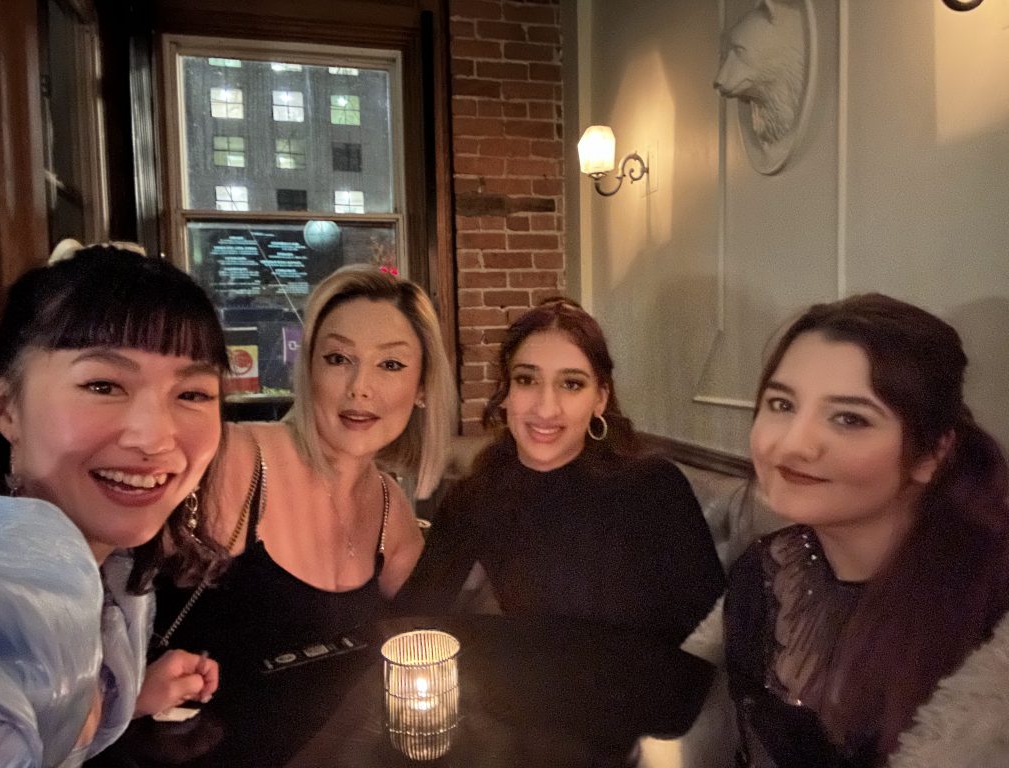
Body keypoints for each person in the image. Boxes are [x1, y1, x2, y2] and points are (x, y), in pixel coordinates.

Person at [724, 293, 1009, 768]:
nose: (793, 444)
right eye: (781, 403)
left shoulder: (991, 610)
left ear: (931, 454)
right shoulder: (763, 576)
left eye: (849, 418)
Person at [0, 242, 227, 767]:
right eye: (103, 384)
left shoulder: (115, 576)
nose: (154, 438)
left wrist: (125, 698)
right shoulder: (3, 583)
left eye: (192, 394)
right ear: (4, 407)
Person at [153, 265, 457, 679]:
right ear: (310, 369)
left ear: (422, 387)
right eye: (338, 359)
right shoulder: (232, 458)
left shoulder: (391, 510)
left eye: (390, 364)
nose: (359, 387)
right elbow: (103, 575)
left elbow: (433, 631)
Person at [399, 298, 725, 645]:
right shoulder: (477, 496)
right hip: (536, 679)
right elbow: (411, 620)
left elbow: (714, 633)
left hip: (654, 678)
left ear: (600, 399)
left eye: (571, 384)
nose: (545, 408)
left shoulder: (654, 486)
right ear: (505, 392)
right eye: (526, 379)